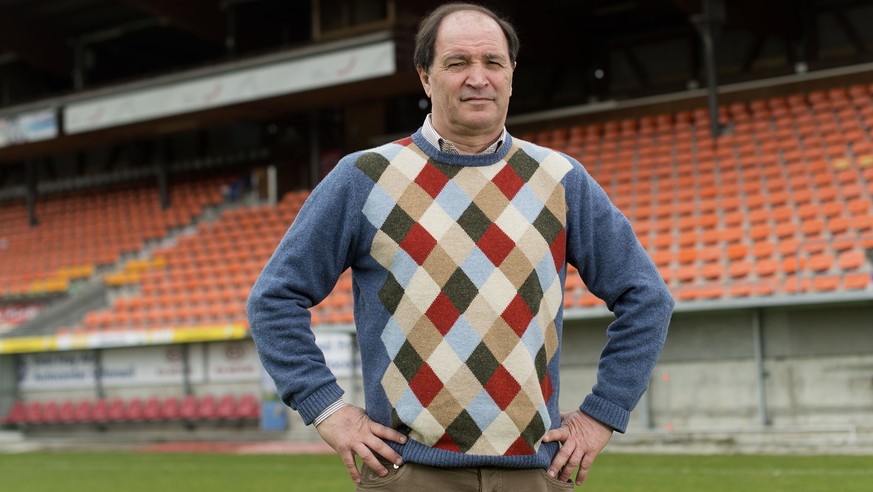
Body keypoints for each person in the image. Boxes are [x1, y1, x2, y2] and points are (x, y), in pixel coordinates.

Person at [247, 2, 673, 490]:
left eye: (493, 62)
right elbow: (274, 299)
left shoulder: (561, 180)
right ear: (425, 77)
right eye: (457, 63)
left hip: (534, 474)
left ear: (512, 75)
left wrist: (602, 414)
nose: (478, 78)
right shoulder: (364, 178)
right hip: (408, 473)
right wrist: (327, 409)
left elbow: (648, 298)